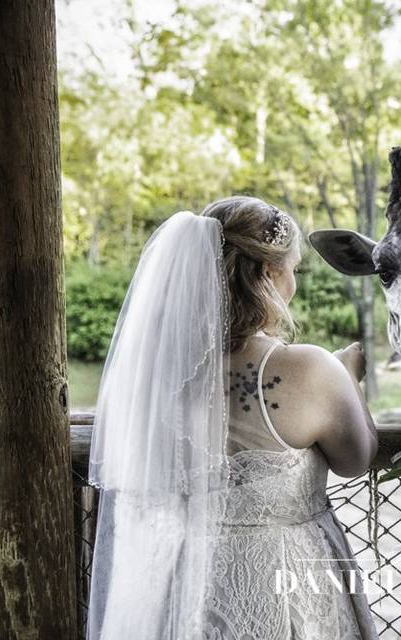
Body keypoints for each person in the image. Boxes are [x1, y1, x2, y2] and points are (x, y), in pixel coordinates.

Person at [86, 196, 379, 639]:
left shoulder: (152, 376)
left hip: (178, 582)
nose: (293, 285)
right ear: (266, 274)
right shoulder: (311, 370)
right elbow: (357, 459)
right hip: (285, 582)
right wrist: (348, 380)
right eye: (292, 270)